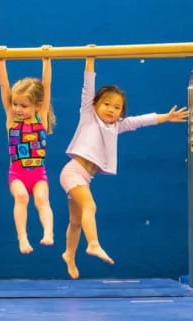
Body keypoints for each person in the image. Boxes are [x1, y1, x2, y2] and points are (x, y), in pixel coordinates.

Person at [60, 51, 188, 279]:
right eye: (106, 104)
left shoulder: (117, 127)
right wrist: (90, 60)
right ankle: (93, 244)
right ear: (95, 104)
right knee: (91, 207)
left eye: (117, 107)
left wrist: (166, 117)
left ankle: (69, 254)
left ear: (121, 112)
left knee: (76, 221)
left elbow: (139, 121)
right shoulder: (88, 116)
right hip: (73, 171)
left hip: (85, 177)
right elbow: (87, 88)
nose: (111, 109)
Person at [0, 46, 56, 254]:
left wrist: (46, 59)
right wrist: (1, 60)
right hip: (17, 173)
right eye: (16, 104)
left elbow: (46, 85)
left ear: (37, 106)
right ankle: (22, 238)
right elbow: (4, 86)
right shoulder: (11, 120)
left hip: (38, 173)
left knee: (42, 200)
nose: (18, 109)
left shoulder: (41, 118)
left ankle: (48, 232)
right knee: (21, 197)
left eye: (23, 106)